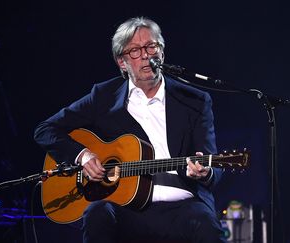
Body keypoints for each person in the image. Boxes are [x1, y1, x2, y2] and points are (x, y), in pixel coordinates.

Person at [34, 16, 225, 243]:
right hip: (124, 207)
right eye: (135, 50)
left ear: (162, 52)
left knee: (207, 226)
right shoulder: (104, 97)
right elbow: (45, 130)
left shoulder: (194, 100)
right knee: (97, 214)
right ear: (122, 62)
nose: (145, 55)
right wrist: (82, 156)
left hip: (183, 205)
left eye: (151, 46)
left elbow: (212, 161)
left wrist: (205, 171)